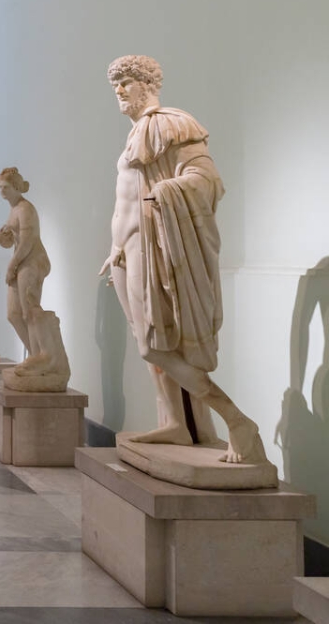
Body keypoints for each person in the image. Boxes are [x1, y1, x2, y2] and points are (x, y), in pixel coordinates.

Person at [99, 55, 263, 464]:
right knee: (154, 343)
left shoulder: (170, 123)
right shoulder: (136, 133)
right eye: (115, 84)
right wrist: (115, 246)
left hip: (151, 247)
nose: (119, 90)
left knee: (154, 347)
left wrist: (164, 196)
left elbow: (205, 178)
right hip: (125, 251)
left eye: (126, 81)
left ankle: (237, 420)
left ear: (148, 83)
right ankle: (175, 421)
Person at [0, 167, 50, 359]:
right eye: (0, 187)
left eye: (6, 187)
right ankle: (36, 357)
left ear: (16, 187)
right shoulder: (14, 210)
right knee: (13, 314)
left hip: (32, 261)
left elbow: (27, 242)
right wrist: (2, 237)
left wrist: (12, 266)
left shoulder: (26, 209)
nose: (2, 191)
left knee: (30, 313)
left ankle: (40, 358)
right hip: (21, 261)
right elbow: (11, 241)